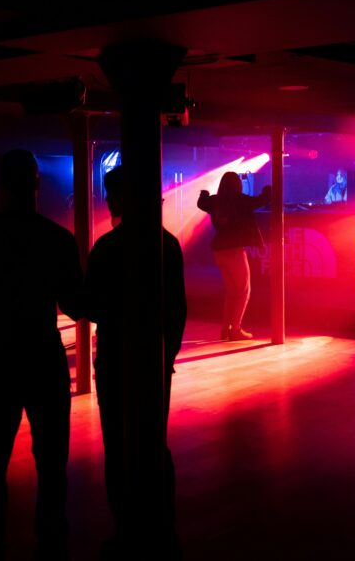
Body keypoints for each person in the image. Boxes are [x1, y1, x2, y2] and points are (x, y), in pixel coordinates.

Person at [0, 150, 83, 559]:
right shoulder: (57, 239)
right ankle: (51, 536)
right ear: (36, 184)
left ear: (0, 184)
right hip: (43, 358)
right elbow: (75, 305)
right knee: (51, 460)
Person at [84, 165, 186, 555]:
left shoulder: (107, 248)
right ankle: (163, 527)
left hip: (114, 358)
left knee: (117, 445)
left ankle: (126, 530)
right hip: (156, 362)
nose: (108, 201)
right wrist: (167, 354)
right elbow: (177, 310)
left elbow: (91, 305)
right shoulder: (168, 245)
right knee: (155, 444)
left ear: (120, 199)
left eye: (111, 195)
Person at [197, 172, 270, 340]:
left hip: (219, 250)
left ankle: (225, 329)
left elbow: (201, 203)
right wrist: (268, 190)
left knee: (231, 291)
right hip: (235, 250)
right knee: (244, 290)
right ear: (238, 184)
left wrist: (204, 194)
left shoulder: (215, 201)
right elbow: (261, 200)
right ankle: (235, 329)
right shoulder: (240, 200)